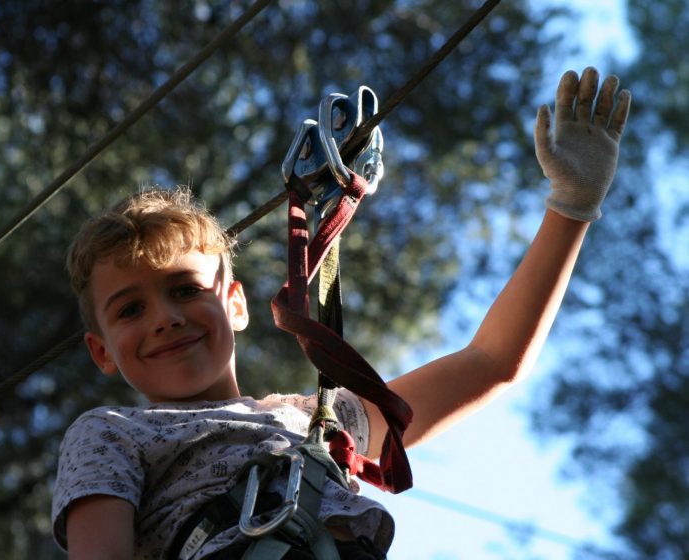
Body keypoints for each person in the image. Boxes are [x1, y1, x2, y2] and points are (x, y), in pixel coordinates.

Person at [52, 66, 631, 559]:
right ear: (101, 350)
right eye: (129, 309)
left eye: (183, 290)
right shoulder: (110, 435)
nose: (163, 318)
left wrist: (571, 208)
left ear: (234, 303)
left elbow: (490, 363)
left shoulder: (320, 424)